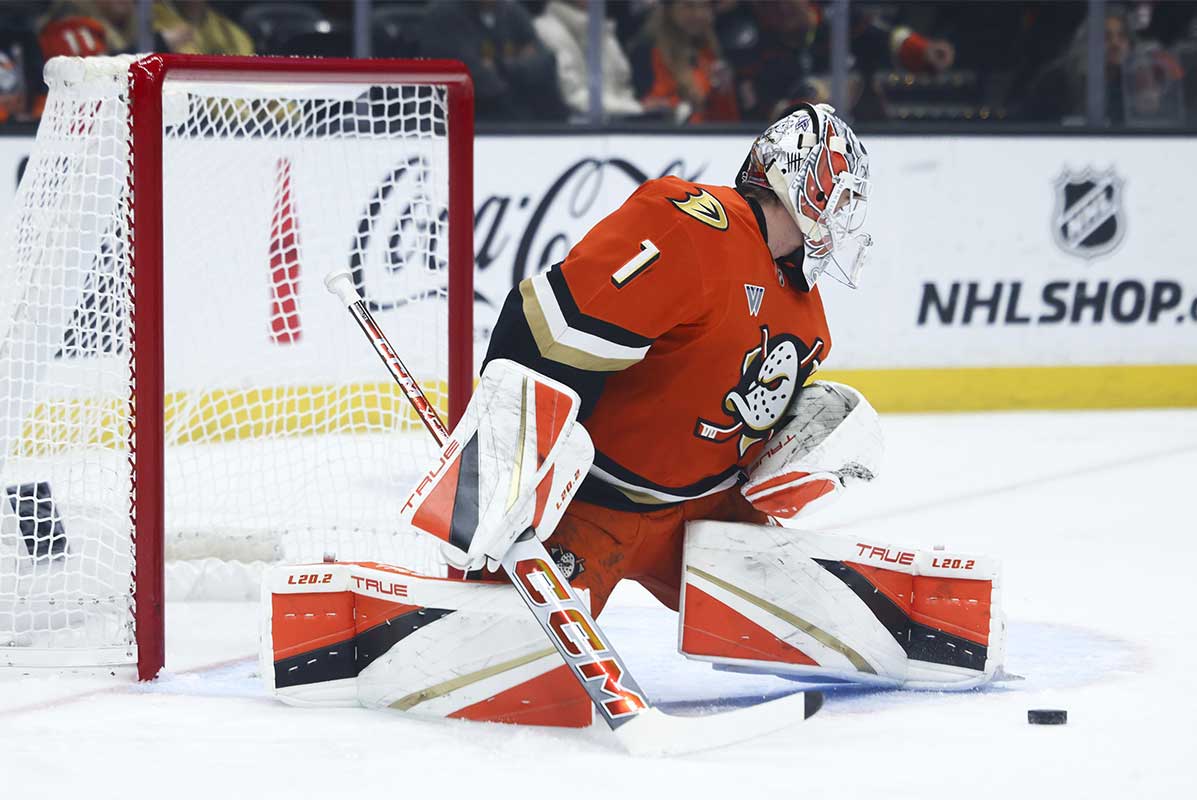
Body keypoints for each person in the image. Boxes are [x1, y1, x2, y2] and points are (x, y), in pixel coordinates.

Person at [417, 0, 568, 122]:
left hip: (523, 121)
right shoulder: (443, 16)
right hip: (463, 126)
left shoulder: (512, 11)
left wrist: (499, 66)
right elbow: (476, 80)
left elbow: (545, 64)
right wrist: (518, 66)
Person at [631, 0, 739, 123]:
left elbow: (727, 121)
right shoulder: (647, 52)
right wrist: (685, 105)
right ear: (669, 10)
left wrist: (722, 92)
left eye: (705, 6)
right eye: (688, 6)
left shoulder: (712, 52)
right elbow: (649, 108)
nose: (699, 14)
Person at [534, 0, 644, 119]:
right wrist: (635, 110)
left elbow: (623, 87)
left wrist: (638, 111)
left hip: (617, 129)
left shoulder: (601, 30)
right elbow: (573, 97)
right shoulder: (545, 31)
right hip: (577, 133)